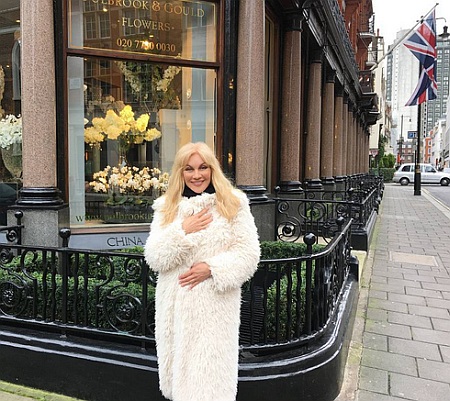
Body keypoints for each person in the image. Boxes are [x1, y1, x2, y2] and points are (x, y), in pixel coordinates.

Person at [144, 142, 260, 401]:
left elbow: (249, 254)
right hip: (174, 312)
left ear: (212, 169)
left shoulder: (232, 203)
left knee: (209, 384)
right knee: (177, 385)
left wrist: (211, 268)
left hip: (213, 312)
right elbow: (154, 257)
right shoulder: (167, 206)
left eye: (203, 167)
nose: (196, 175)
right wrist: (183, 230)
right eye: (189, 169)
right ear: (181, 172)